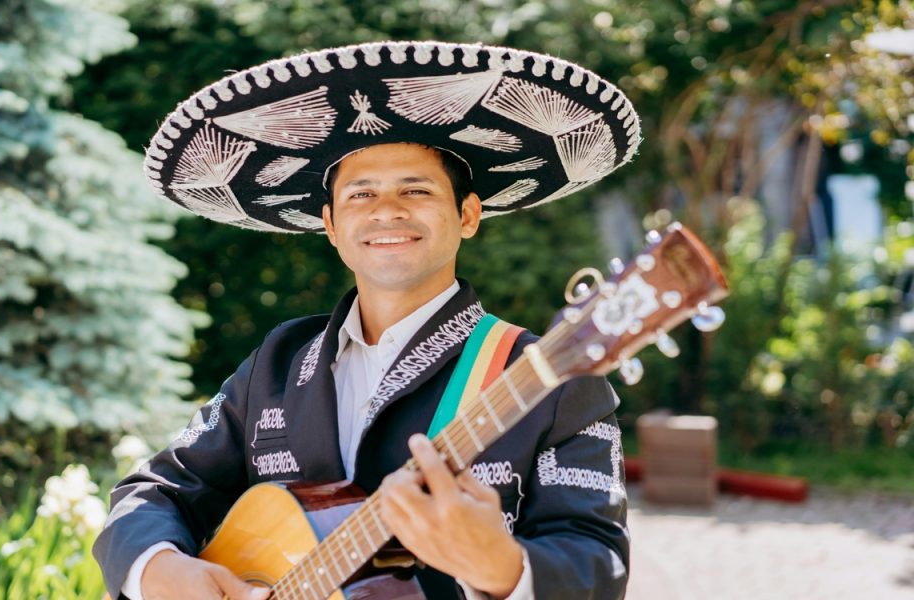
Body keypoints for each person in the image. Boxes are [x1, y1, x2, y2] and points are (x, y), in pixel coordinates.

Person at [94, 41, 642, 600]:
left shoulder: (552, 379)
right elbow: (157, 489)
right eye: (361, 194)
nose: (387, 210)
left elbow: (597, 563)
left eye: (416, 190)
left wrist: (505, 568)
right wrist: (159, 570)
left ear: (468, 215)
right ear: (331, 225)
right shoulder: (278, 362)